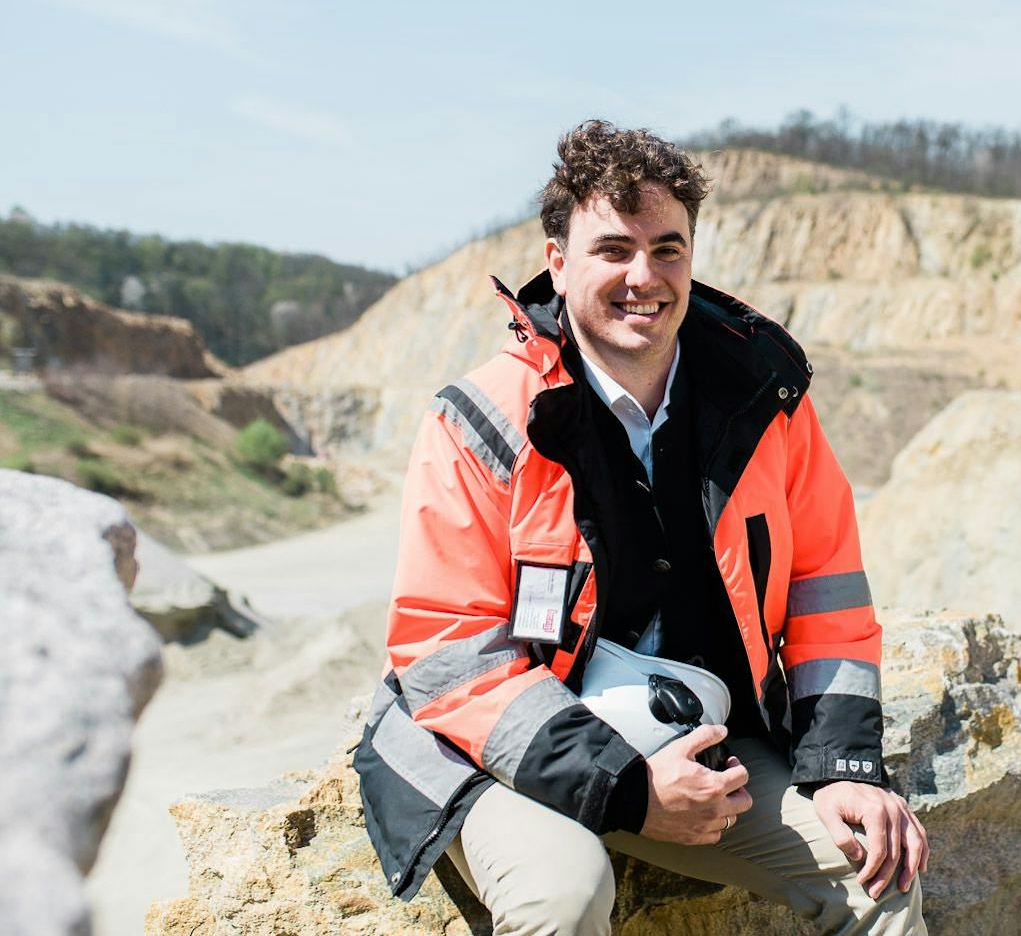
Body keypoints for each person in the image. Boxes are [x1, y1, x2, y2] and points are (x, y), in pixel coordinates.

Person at [353, 120, 928, 935]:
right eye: (613, 249)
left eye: (667, 248)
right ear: (556, 262)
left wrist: (840, 767)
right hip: (498, 750)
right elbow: (449, 653)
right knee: (566, 892)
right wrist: (626, 788)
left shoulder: (764, 400)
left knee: (880, 866)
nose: (643, 276)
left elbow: (824, 589)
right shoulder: (480, 421)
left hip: (691, 728)